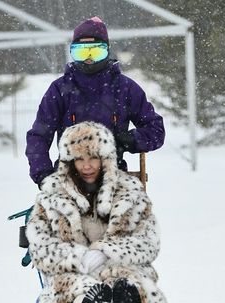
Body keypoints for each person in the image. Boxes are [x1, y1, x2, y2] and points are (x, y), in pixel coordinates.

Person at [26, 121, 172, 303]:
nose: (87, 166)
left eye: (93, 158)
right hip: (74, 273)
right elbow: (41, 247)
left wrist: (107, 251)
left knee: (128, 285)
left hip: (120, 269)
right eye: (79, 159)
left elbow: (148, 240)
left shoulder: (129, 192)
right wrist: (79, 257)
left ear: (106, 159)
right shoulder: (52, 197)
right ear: (69, 162)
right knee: (76, 291)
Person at [25, 16, 165, 188]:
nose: (89, 58)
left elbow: (156, 130)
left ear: (107, 51)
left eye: (96, 52)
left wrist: (127, 140)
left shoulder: (125, 88)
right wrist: (44, 175)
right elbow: (38, 136)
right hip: (68, 178)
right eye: (82, 52)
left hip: (115, 178)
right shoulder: (60, 89)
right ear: (72, 53)